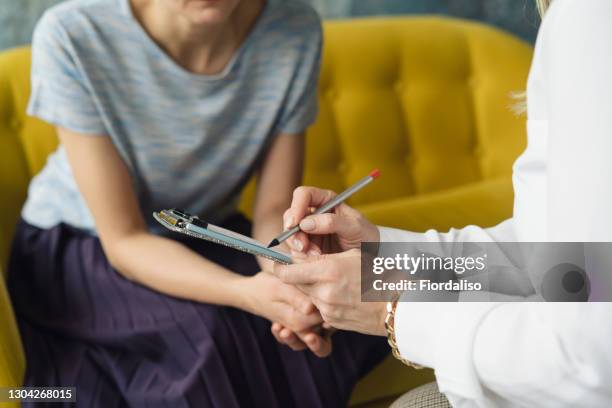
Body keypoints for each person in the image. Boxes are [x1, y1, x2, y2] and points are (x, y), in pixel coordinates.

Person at [7, 0, 388, 406]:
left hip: (210, 232)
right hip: (86, 244)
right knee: (208, 335)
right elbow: (124, 240)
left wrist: (285, 276)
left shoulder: (293, 28)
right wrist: (246, 293)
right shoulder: (73, 34)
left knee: (329, 309)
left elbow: (272, 208)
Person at [271, 0, 612, 406]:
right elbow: (562, 260)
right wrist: (383, 260)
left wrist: (395, 312)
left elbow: (583, 363)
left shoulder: (590, 19)